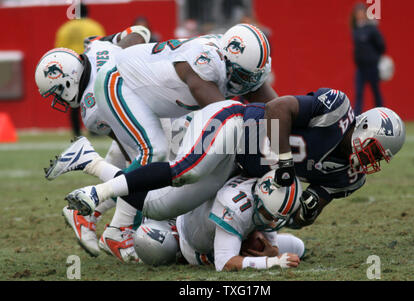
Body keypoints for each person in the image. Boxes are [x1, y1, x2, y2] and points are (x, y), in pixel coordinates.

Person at [39, 23, 277, 262]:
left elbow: (266, 101)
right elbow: (138, 31)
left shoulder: (228, 54)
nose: (248, 84)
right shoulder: (93, 94)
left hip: (151, 94)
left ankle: (108, 211)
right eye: (245, 77)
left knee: (153, 159)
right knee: (154, 155)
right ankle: (113, 223)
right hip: (121, 85)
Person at [59, 87, 406, 235]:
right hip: (235, 125)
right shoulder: (337, 108)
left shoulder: (348, 177)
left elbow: (294, 216)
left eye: (380, 159)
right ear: (362, 127)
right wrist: (284, 164)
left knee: (160, 209)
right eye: (373, 150)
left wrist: (304, 213)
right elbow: (277, 108)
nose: (370, 161)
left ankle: (88, 160)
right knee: (184, 172)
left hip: (239, 168)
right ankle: (99, 193)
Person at [36, 25, 153, 258]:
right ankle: (115, 230)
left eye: (56, 92)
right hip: (150, 106)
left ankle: (89, 171)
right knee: (147, 169)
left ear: (68, 81)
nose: (58, 99)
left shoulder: (93, 109)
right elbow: (140, 32)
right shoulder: (95, 46)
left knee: (144, 169)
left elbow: (132, 150)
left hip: (150, 106)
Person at [134, 171, 305, 271]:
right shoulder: (233, 205)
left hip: (230, 227)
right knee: (152, 244)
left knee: (297, 247)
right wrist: (272, 262)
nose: (273, 222)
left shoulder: (266, 199)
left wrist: (273, 250)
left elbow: (270, 218)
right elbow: (224, 263)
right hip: (196, 246)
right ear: (259, 199)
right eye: (269, 215)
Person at [54, 2, 105, 137]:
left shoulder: (65, 28)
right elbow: (101, 48)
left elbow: (58, 51)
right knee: (94, 99)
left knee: (73, 100)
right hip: (89, 68)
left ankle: (76, 132)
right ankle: (95, 131)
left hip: (71, 69)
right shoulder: (94, 26)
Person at [351, 3, 386, 115]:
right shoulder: (355, 29)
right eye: (357, 13)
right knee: (359, 94)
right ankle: (356, 118)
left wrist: (374, 58)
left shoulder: (372, 29)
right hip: (360, 68)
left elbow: (381, 46)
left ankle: (382, 115)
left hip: (372, 67)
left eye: (361, 13)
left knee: (376, 92)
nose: (359, 15)